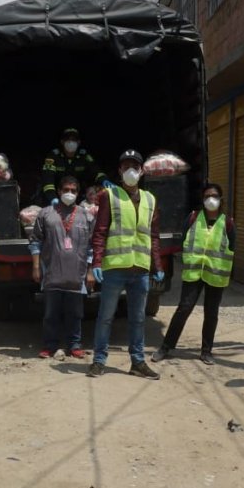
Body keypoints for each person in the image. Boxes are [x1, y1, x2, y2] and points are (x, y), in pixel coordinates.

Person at [87, 150, 163, 379]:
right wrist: (96, 261)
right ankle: (99, 361)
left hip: (140, 269)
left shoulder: (150, 199)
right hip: (115, 268)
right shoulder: (109, 195)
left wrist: (157, 265)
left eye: (135, 166)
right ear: (119, 171)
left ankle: (137, 362)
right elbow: (100, 231)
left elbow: (154, 236)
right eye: (126, 166)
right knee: (106, 317)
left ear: (141, 171)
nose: (131, 170)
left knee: (138, 319)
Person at [152, 184, 234, 365]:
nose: (210, 199)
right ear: (202, 199)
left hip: (215, 274)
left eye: (214, 195)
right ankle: (166, 347)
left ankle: (206, 351)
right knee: (184, 309)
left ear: (221, 199)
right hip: (194, 273)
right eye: (207, 196)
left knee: (211, 313)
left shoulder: (227, 222)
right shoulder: (193, 218)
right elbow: (182, 242)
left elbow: (232, 247)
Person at [30, 176, 94, 360]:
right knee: (51, 314)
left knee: (75, 313)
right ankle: (50, 346)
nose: (69, 193)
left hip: (77, 274)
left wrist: (90, 271)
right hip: (52, 274)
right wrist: (36, 266)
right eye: (66, 190)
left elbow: (91, 246)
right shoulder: (45, 214)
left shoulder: (86, 216)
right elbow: (35, 241)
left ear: (78, 193)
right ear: (58, 191)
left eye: (73, 191)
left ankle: (74, 345)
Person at [40, 128, 112, 205]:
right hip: (56, 196)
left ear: (78, 142)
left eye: (74, 139)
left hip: (77, 196)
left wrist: (104, 180)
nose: (71, 142)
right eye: (67, 139)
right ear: (62, 142)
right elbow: (47, 179)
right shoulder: (54, 156)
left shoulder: (84, 156)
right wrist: (52, 198)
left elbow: (96, 171)